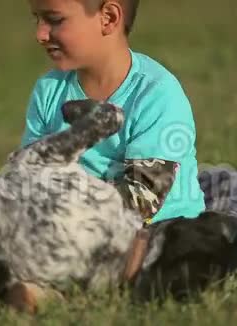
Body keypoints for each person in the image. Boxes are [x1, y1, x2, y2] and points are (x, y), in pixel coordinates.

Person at [22, 0, 205, 224]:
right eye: (36, 19)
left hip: (162, 231)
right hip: (74, 228)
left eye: (54, 20)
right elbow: (28, 175)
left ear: (108, 18)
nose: (40, 34)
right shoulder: (48, 90)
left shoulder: (156, 94)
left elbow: (141, 200)